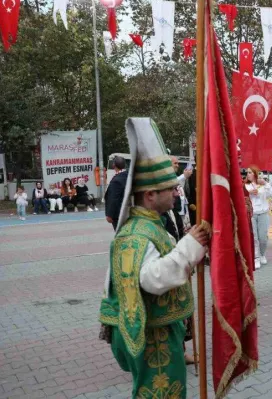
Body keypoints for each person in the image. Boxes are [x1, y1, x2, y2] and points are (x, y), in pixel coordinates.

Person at [99, 118, 209, 398]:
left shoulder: (150, 223)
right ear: (149, 195)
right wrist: (189, 248)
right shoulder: (135, 234)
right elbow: (150, 279)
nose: (177, 192)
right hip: (152, 337)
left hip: (160, 330)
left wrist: (187, 243)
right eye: (171, 189)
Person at [245, 165, 272, 267]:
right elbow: (242, 197)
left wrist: (265, 183)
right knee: (254, 237)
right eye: (247, 172)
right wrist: (249, 193)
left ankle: (262, 254)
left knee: (263, 237)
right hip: (252, 214)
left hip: (263, 214)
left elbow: (271, 193)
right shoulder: (246, 186)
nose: (248, 174)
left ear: (255, 174)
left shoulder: (262, 184)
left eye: (250, 172)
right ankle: (256, 258)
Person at [105, 156, 128, 231]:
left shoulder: (117, 180)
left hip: (118, 214)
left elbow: (113, 198)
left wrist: (109, 215)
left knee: (120, 233)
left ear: (113, 165)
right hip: (127, 210)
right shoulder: (127, 175)